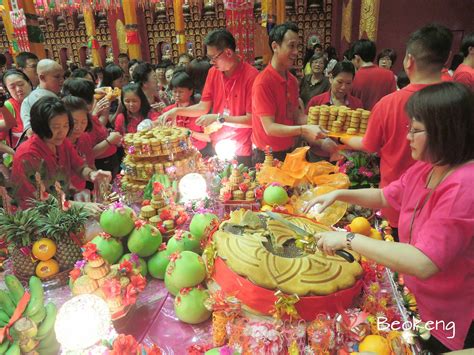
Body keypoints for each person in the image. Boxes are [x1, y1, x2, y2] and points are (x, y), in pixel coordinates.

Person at [305, 82, 474, 353]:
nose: (408, 137)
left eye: (416, 130)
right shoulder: (428, 168)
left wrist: (348, 239)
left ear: (446, 131)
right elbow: (386, 196)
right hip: (418, 300)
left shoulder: (465, 184)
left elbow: (423, 262)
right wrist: (338, 194)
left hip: (449, 315)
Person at [342, 24, 453, 228]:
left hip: (396, 201)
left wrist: (341, 137)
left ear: (409, 60)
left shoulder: (389, 104)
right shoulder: (459, 100)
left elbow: (369, 145)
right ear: (447, 57)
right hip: (444, 206)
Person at [159, 29, 258, 166]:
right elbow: (203, 107)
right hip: (217, 144)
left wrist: (219, 119)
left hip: (241, 148)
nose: (211, 62)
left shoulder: (251, 76)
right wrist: (175, 111)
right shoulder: (213, 73)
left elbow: (251, 120)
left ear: (228, 52)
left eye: (213, 57)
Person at [11, 96, 111, 212]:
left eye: (66, 125)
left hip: (61, 206)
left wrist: (91, 174)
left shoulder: (62, 142)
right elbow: (42, 197)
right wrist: (79, 206)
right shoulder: (28, 154)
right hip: (36, 215)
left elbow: (79, 166)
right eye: (56, 127)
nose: (62, 132)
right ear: (41, 126)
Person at [251, 22, 326, 163]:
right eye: (291, 46)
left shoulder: (292, 80)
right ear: (275, 47)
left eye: (298, 47)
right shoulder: (263, 82)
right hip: (267, 155)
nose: (296, 52)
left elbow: (296, 116)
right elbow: (270, 128)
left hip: (288, 150)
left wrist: (323, 123)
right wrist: (304, 130)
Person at [62, 78, 122, 177]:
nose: (79, 127)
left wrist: (94, 175)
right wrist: (109, 141)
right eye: (75, 122)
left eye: (83, 122)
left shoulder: (84, 135)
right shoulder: (62, 141)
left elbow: (89, 162)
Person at [162, 72, 211, 155]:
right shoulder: (168, 111)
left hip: (199, 153)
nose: (177, 95)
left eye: (181, 92)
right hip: (176, 153)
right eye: (174, 91)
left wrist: (190, 133)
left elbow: (209, 138)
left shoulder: (200, 111)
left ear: (191, 91)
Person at [350, 39, 397, 109]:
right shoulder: (389, 75)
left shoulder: (353, 76)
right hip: (382, 118)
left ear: (357, 58)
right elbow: (393, 102)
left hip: (359, 118)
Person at [21, 59, 64, 133]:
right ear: (42, 77)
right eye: (57, 77)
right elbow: (30, 132)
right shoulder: (33, 99)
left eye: (63, 76)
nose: (62, 80)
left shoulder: (60, 95)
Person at [1, 70, 33, 148]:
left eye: (21, 84)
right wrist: (15, 153)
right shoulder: (6, 107)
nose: (18, 89)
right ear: (7, 90)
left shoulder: (41, 99)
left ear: (29, 83)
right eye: (12, 87)